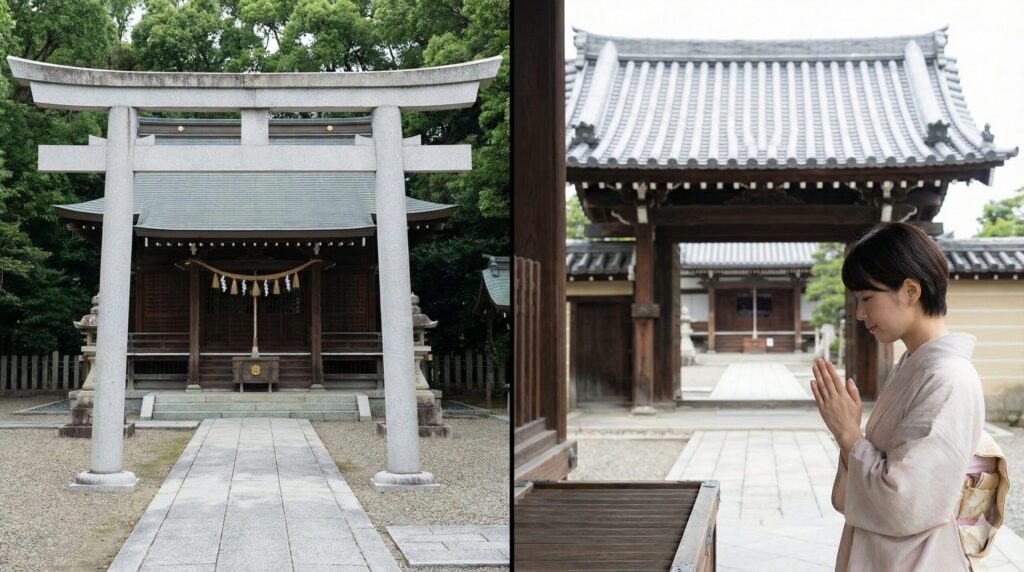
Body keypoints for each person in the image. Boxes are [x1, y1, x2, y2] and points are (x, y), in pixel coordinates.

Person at [810, 222, 985, 571]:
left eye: (867, 298)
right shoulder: (913, 367)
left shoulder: (948, 378)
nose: (860, 313)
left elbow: (905, 501)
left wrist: (849, 435)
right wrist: (851, 437)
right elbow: (854, 496)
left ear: (909, 290)